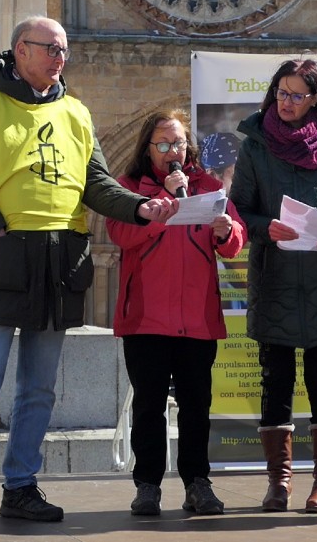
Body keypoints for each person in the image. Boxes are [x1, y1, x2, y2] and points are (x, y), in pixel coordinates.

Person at [0, 16, 179, 530]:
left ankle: (21, 486)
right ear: (20, 50)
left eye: (64, 50)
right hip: (0, 261)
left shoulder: (76, 112)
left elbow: (97, 184)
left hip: (60, 264)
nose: (59, 58)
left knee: (39, 388)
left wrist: (140, 208)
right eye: (50, 48)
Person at [229, 58, 317, 513]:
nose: (286, 102)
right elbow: (239, 208)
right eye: (281, 93)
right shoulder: (255, 144)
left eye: (296, 95)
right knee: (276, 381)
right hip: (276, 279)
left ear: (316, 99)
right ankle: (279, 482)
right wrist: (264, 227)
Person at [105, 109, 247, 517]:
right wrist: (165, 201)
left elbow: (235, 241)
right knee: (148, 407)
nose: (173, 152)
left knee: (196, 406)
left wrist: (227, 231)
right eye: (164, 144)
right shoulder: (128, 188)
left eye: (179, 144)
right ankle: (147, 485)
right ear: (147, 148)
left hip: (196, 319)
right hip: (146, 318)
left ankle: (197, 483)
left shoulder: (209, 186)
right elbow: (120, 233)